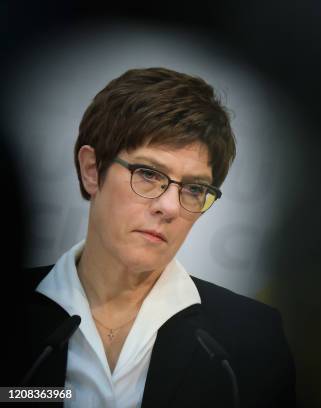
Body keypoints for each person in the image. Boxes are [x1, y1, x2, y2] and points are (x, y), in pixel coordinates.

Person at [20, 67, 296, 407]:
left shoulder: (250, 339)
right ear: (92, 170)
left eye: (194, 189)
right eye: (148, 174)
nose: (169, 207)